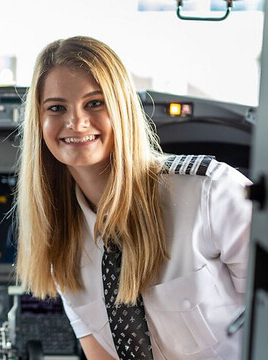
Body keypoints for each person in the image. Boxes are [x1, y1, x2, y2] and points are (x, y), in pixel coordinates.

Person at [15, 36, 251, 360]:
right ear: (39, 123)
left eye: (95, 102)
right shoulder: (62, 244)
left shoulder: (212, 192)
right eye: (57, 108)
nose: (76, 122)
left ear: (122, 107)